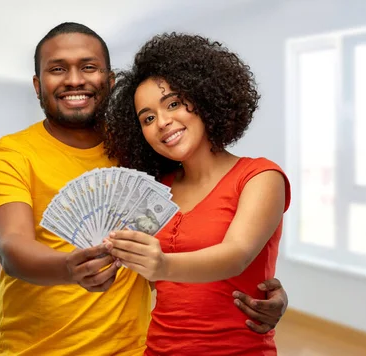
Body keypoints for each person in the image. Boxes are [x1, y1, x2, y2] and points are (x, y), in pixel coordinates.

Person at [0, 22, 288, 356]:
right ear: (38, 85)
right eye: (57, 69)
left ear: (109, 83)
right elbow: (12, 247)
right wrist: (68, 268)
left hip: (136, 348)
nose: (75, 79)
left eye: (89, 67)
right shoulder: (8, 156)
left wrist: (266, 291)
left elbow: (214, 245)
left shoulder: (141, 163)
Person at [102, 32, 291, 355]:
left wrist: (162, 264)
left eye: (173, 103)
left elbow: (237, 255)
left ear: (203, 98)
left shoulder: (260, 176)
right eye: (147, 118)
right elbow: (155, 282)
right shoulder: (156, 190)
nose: (162, 122)